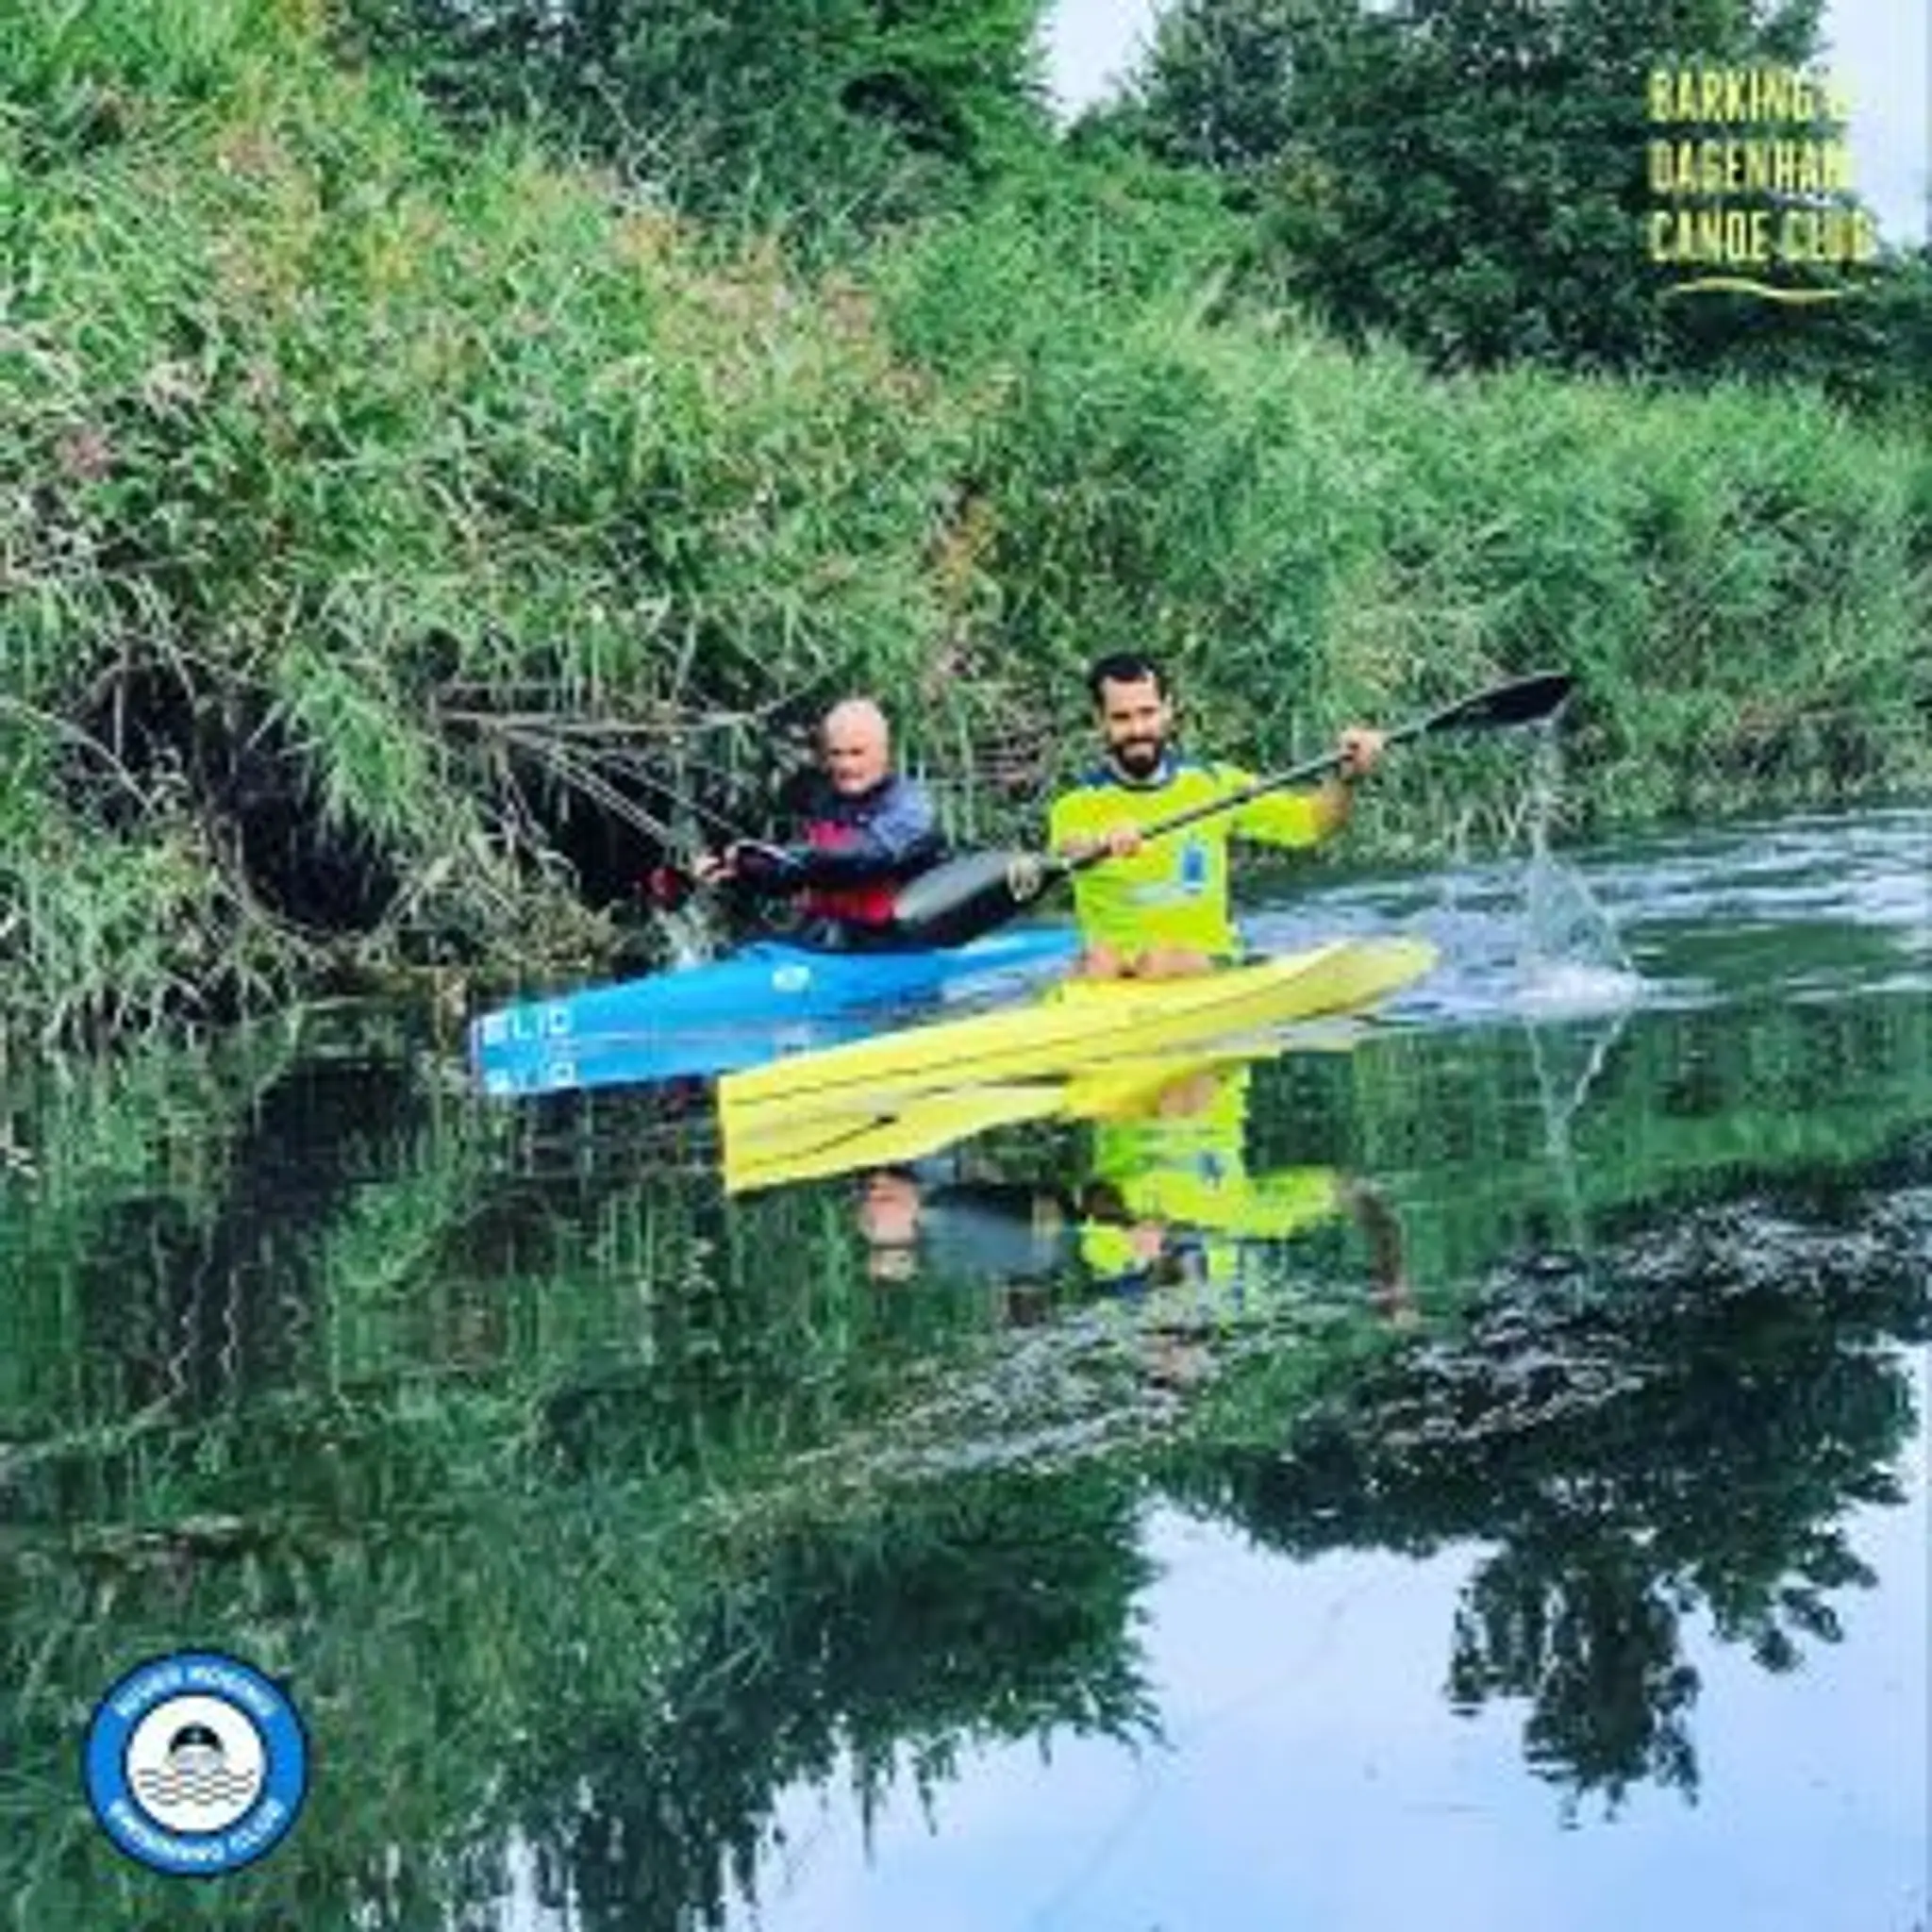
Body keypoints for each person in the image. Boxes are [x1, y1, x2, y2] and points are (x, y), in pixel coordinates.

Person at [1048, 652, 1387, 977]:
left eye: (1147, 712)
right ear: (1099, 720)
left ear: (1167, 711)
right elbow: (1069, 851)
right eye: (1121, 718)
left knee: (1160, 960)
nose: (1138, 729)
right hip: (1109, 979)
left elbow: (1313, 823)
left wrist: (1346, 777)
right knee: (1098, 962)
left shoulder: (1215, 784)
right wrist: (1098, 844)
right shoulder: (1075, 806)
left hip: (1203, 965)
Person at [692, 697, 943, 950]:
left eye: (857, 752)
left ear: (883, 752)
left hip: (895, 947)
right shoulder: (824, 802)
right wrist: (743, 872)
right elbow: (796, 877)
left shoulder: (910, 806)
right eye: (837, 753)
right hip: (827, 941)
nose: (846, 765)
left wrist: (794, 858)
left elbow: (869, 856)